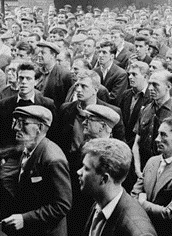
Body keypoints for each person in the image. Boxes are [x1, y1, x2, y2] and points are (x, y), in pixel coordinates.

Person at [0, 106, 72, 236]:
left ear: (39, 128)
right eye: (16, 122)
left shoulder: (53, 159)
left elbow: (62, 205)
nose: (16, 127)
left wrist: (25, 219)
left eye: (24, 123)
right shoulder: (28, 149)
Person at [78, 138, 157, 236]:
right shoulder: (99, 203)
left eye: (86, 168)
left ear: (104, 179)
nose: (79, 172)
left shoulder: (138, 231)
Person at [131, 118, 172, 236]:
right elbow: (134, 193)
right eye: (158, 134)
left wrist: (142, 203)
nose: (157, 139)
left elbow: (170, 213)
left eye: (163, 135)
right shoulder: (152, 161)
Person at [132, 69, 172, 176]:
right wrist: (138, 170)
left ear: (169, 87)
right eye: (149, 84)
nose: (151, 88)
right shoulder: (146, 109)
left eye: (156, 85)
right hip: (142, 170)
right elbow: (136, 143)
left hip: (163, 173)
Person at [0, 62, 57, 148]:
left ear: (36, 81)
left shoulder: (47, 104)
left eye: (28, 78)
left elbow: (53, 134)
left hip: (35, 155)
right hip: (9, 155)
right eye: (21, 78)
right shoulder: (4, 104)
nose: (23, 82)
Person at [36, 41, 73, 109]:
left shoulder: (64, 75)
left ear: (52, 55)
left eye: (43, 53)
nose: (39, 55)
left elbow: (67, 102)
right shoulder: (37, 72)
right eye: (39, 52)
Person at [93, 41, 128, 106]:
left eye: (104, 52)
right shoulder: (94, 71)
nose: (100, 55)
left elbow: (114, 99)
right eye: (99, 52)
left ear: (112, 56)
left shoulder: (121, 74)